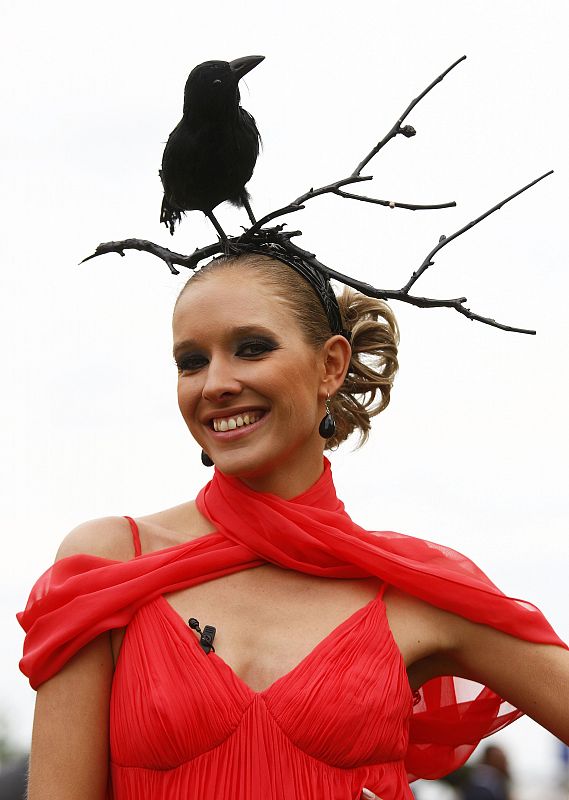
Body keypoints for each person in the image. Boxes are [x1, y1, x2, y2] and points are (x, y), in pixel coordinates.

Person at [18, 250, 569, 800]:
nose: (215, 383)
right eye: (190, 361)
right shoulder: (110, 562)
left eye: (251, 349)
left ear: (330, 365)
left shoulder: (411, 589)